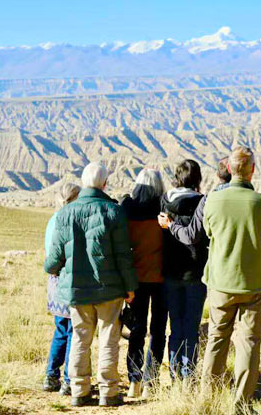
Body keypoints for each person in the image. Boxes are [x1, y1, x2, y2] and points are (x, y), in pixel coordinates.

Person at [44, 162, 138, 407]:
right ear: (105, 184)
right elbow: (123, 255)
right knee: (109, 339)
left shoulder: (66, 213)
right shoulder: (114, 212)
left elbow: (54, 257)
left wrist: (52, 269)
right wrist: (130, 286)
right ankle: (108, 393)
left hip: (77, 290)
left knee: (79, 338)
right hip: (110, 290)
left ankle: (79, 391)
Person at [200, 146, 261, 403]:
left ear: (230, 170)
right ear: (252, 171)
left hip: (221, 282)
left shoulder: (212, 200)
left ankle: (207, 397)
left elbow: (209, 232)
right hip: (254, 283)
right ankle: (241, 402)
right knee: (249, 343)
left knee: (216, 339)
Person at [120, 169, 167, 399]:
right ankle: (152, 380)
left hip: (135, 279)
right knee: (157, 331)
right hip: (161, 278)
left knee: (137, 331)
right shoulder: (164, 207)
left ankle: (134, 382)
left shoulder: (127, 208)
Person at [159, 159, 207, 380]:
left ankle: (174, 371)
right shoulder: (202, 203)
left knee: (175, 324)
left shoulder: (164, 202)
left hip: (170, 271)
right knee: (192, 326)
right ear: (197, 178)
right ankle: (189, 372)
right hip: (196, 273)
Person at [42, 182, 81, 397]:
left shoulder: (52, 221)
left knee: (61, 331)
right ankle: (68, 379)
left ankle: (50, 375)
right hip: (70, 281)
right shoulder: (72, 221)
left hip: (54, 283)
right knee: (74, 332)